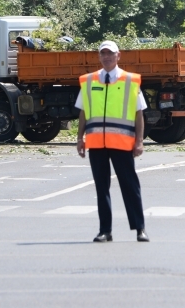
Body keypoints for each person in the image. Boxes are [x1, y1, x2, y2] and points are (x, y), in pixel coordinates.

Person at [76, 40, 149, 243]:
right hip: (96, 143)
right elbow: (83, 112)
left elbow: (138, 113)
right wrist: (79, 138)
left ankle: (140, 228)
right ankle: (105, 230)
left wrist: (139, 141)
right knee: (101, 188)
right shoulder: (89, 81)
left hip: (123, 143)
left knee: (130, 186)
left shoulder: (130, 81)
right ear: (99, 57)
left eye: (110, 53)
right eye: (103, 54)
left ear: (119, 56)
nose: (107, 57)